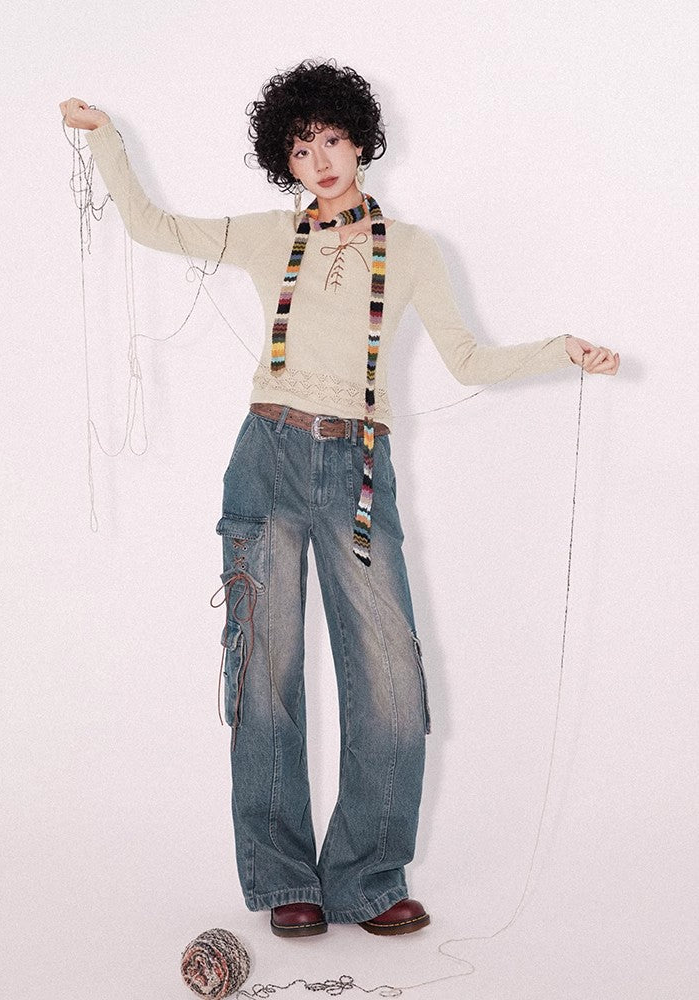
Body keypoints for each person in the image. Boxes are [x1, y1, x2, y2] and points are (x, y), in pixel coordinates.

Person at [59, 58, 619, 940]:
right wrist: (106, 140)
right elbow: (152, 225)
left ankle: (366, 879)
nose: (318, 160)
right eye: (299, 147)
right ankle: (285, 878)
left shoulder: (415, 249)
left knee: (390, 680)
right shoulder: (263, 237)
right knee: (265, 677)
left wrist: (562, 351)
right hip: (267, 458)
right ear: (283, 161)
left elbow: (468, 359)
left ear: (361, 140)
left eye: (330, 139)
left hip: (357, 465)